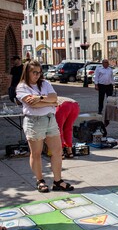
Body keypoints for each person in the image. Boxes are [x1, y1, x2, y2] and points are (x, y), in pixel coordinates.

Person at [15, 60, 74, 193]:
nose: (37, 75)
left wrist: (40, 98)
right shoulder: (22, 87)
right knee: (36, 153)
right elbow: (32, 105)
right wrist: (49, 102)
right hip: (34, 121)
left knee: (57, 151)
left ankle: (58, 181)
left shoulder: (45, 83)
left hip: (50, 119)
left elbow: (55, 98)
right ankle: (40, 180)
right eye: (34, 72)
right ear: (27, 72)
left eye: (39, 72)